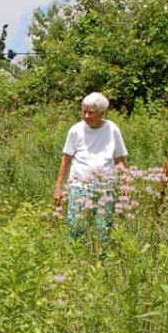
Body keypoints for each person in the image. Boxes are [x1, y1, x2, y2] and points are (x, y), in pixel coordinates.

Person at [53, 92, 128, 237]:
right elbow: (66, 159)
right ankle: (74, 258)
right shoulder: (75, 130)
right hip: (79, 186)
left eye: (91, 113)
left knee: (102, 229)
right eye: (84, 111)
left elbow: (120, 160)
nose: (86, 116)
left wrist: (126, 183)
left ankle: (101, 257)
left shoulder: (112, 130)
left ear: (102, 113)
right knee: (76, 228)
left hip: (105, 188)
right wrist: (58, 187)